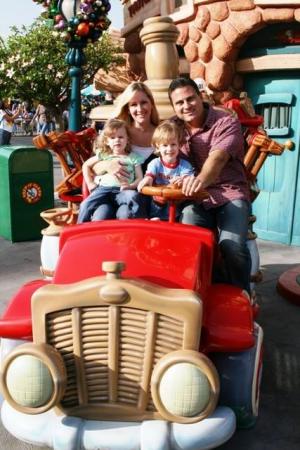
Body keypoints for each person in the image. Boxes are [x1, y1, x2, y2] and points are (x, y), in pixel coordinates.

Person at [168, 77, 251, 295]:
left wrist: (199, 180)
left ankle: (242, 294)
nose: (186, 106)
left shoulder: (225, 121)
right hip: (194, 198)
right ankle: (202, 291)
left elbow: (218, 158)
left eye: (190, 99)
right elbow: (160, 154)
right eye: (179, 103)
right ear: (174, 107)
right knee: (190, 241)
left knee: (231, 246)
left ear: (200, 96)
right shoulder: (174, 127)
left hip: (228, 192)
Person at [77, 119, 144, 222]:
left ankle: (140, 222)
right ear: (107, 141)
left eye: (121, 137)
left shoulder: (133, 157)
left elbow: (140, 178)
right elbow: (86, 165)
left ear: (127, 139)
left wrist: (130, 186)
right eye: (112, 138)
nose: (117, 140)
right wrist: (90, 183)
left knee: (134, 196)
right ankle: (80, 229)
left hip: (123, 190)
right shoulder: (105, 155)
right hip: (104, 189)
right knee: (85, 204)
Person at [138, 120, 194, 220]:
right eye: (165, 145)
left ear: (179, 145)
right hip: (157, 206)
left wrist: (183, 182)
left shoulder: (184, 165)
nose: (169, 149)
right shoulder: (155, 163)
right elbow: (150, 176)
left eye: (173, 144)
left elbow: (188, 178)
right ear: (157, 147)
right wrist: (147, 180)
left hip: (176, 207)